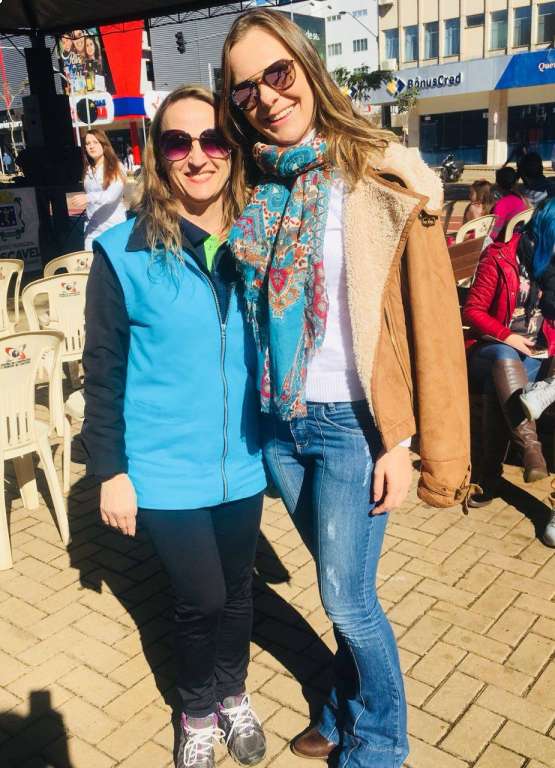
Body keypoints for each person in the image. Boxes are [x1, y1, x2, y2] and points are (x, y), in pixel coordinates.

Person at [220, 10, 472, 768]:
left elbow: (425, 324)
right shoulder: (255, 185)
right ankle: (341, 707)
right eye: (244, 89)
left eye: (277, 73)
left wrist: (401, 440)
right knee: (340, 581)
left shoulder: (374, 175)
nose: (265, 97)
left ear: (307, 66)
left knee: (347, 599)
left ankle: (381, 744)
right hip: (281, 422)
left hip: (353, 427)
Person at [82, 85, 268, 768]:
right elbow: (102, 371)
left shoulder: (258, 239)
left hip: (242, 459)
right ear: (157, 156)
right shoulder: (121, 252)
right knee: (201, 598)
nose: (198, 155)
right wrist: (110, 471)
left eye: (213, 139)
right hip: (162, 467)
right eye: (178, 141)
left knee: (239, 590)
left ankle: (234, 693)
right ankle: (195, 711)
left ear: (234, 151)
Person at [463, 198, 555, 515]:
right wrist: (508, 335)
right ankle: (530, 450)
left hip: (536, 356)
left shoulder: (551, 265)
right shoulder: (500, 257)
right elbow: (472, 311)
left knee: (501, 389)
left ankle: (487, 478)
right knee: (504, 359)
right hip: (490, 348)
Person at [73, 128, 127, 250]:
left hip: (114, 229)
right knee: (89, 260)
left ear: (104, 144)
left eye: (95, 142)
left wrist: (88, 198)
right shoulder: (87, 170)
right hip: (92, 230)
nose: (91, 146)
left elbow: (111, 196)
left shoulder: (116, 167)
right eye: (87, 144)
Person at [490, 166, 528, 241]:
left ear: (497, 184)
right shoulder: (522, 199)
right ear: (515, 182)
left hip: (506, 243)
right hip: (521, 240)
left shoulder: (502, 205)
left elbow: (493, 234)